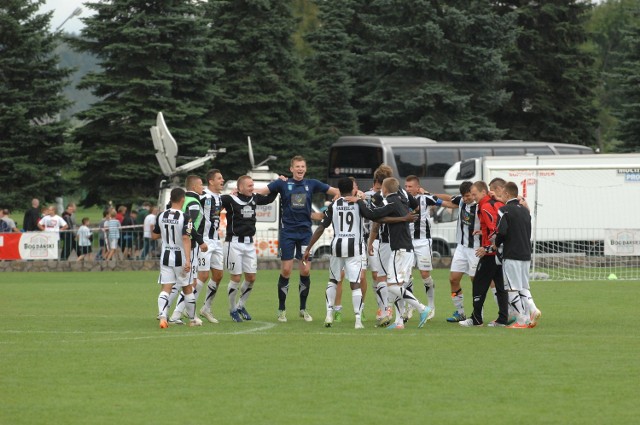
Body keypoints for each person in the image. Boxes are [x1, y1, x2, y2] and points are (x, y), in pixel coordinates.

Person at [258, 155, 339, 323]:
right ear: (291, 169)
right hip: (287, 233)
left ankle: (303, 309)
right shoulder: (282, 183)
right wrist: (244, 192)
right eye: (297, 166)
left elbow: (336, 192)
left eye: (303, 166)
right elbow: (261, 192)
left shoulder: (312, 184)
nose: (300, 169)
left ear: (305, 168)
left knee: (305, 270)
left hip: (305, 234)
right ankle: (281, 309)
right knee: (286, 270)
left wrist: (332, 205)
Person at [357, 177, 432, 329]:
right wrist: (403, 218)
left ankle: (422, 308)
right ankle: (399, 322)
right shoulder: (401, 200)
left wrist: (359, 200)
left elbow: (371, 214)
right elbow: (384, 217)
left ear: (385, 190)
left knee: (391, 286)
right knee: (396, 285)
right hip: (403, 249)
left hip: (401, 250)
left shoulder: (391, 202)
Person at [303, 178, 370, 329]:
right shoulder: (358, 203)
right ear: (352, 190)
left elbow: (321, 227)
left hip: (337, 246)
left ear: (339, 190)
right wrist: (360, 200)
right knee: (355, 283)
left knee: (333, 280)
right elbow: (370, 214)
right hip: (354, 247)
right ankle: (358, 320)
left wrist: (308, 248)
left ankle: (329, 314)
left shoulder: (334, 205)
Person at [220, 175, 278, 321]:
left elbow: (270, 199)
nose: (252, 188)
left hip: (249, 244)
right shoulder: (230, 199)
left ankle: (241, 305)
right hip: (233, 243)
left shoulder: (255, 198)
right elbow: (215, 202)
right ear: (240, 188)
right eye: (249, 186)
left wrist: (278, 186)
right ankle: (232, 309)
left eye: (253, 185)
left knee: (251, 277)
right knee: (236, 278)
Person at [458, 181, 509, 327]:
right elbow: (500, 225)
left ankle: (476, 319)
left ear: (483, 192)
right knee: (500, 286)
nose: (473, 197)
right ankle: (503, 318)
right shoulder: (497, 204)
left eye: (475, 194)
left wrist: (488, 248)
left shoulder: (486, 206)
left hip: (491, 254)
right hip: (500, 253)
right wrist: (482, 232)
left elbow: (496, 230)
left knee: (479, 283)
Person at [494, 182, 542, 329]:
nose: (500, 196)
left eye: (502, 194)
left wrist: (496, 243)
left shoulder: (504, 210)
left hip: (512, 254)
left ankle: (521, 320)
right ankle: (531, 311)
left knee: (512, 288)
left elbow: (502, 231)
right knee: (523, 286)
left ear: (507, 194)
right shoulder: (525, 211)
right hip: (526, 253)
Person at [154, 188, 200, 328]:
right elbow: (186, 238)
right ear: (182, 200)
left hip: (166, 256)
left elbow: (154, 235)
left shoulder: (161, 215)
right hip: (180, 257)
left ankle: (163, 316)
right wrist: (188, 260)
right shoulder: (186, 217)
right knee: (187, 288)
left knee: (166, 288)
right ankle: (192, 319)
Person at [435, 181, 481, 323]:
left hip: (476, 249)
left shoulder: (481, 206)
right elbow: (448, 199)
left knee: (478, 282)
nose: (465, 198)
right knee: (453, 279)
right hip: (461, 248)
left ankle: (481, 313)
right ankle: (460, 312)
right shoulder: (461, 201)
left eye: (467, 196)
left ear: (473, 193)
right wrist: (430, 196)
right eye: (463, 196)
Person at [168, 175, 208, 325]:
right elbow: (189, 226)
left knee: (180, 281)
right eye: (200, 185)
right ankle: (176, 315)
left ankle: (165, 313)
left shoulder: (179, 202)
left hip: (175, 244)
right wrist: (201, 241)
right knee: (188, 282)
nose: (202, 188)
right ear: (194, 187)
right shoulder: (194, 202)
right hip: (189, 246)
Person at [404, 175, 442, 320]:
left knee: (425, 275)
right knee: (406, 276)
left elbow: (444, 202)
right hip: (407, 241)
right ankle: (410, 306)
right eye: (406, 186)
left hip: (423, 241)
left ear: (417, 187)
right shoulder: (402, 199)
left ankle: (431, 306)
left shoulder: (425, 198)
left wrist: (428, 193)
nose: (407, 189)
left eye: (410, 186)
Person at [197, 169, 226, 323]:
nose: (222, 180)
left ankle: (206, 308)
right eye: (219, 178)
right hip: (204, 240)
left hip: (216, 240)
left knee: (219, 275)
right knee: (202, 275)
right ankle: (189, 310)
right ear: (211, 181)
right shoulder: (203, 196)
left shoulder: (220, 198)